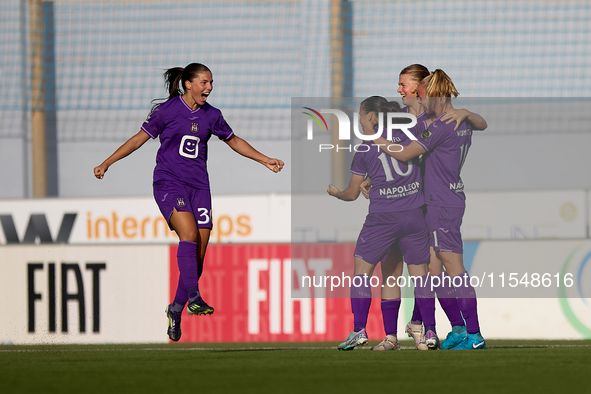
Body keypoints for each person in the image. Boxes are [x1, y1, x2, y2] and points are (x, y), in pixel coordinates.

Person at [94, 63, 284, 342]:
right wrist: (107, 162)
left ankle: (176, 308)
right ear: (189, 84)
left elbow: (234, 141)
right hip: (169, 182)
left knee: (198, 256)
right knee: (190, 235)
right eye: (204, 82)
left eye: (211, 82)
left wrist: (264, 159)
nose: (209, 87)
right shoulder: (166, 111)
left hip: (200, 188)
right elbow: (138, 140)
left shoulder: (212, 115)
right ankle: (195, 297)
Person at [362, 64, 487, 350]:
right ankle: (454, 328)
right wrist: (467, 112)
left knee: (453, 266)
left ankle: (473, 334)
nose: (415, 95)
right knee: (433, 267)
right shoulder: (458, 120)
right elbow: (482, 123)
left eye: (417, 90)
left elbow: (405, 153)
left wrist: (374, 137)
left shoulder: (439, 126)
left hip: (438, 202)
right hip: (442, 199)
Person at [327, 96, 434, 351]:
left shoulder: (366, 148)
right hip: (414, 217)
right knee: (416, 277)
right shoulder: (409, 136)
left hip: (382, 220)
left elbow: (352, 194)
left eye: (362, 116)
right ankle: (425, 333)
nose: (360, 120)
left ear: (372, 117)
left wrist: (336, 193)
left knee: (363, 273)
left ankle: (359, 330)